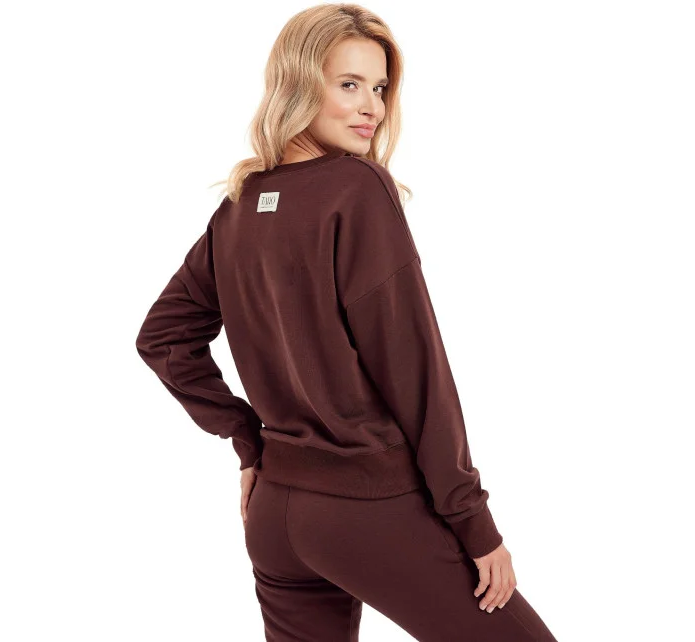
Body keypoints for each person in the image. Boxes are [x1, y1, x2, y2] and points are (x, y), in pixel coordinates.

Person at [135, 4, 558, 641]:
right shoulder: (356, 188)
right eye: (349, 84)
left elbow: (162, 336)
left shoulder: (240, 206)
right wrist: (474, 525)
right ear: (299, 85)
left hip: (274, 516)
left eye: (379, 88)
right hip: (366, 508)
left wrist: (250, 441)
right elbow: (414, 372)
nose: (372, 108)